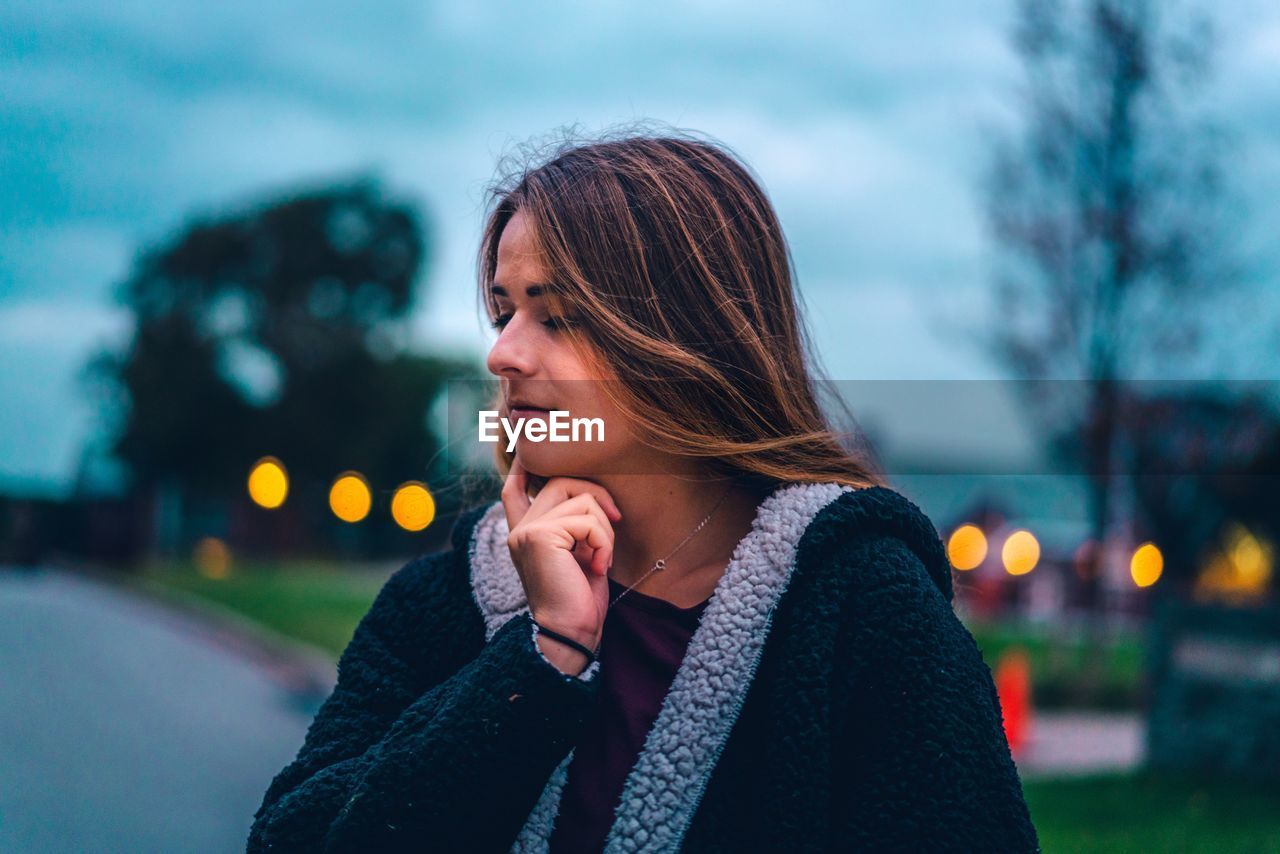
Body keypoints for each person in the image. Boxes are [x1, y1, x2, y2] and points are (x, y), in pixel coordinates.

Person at [247, 127, 1041, 853]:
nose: (504, 356)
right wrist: (541, 657)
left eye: (557, 318)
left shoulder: (863, 609)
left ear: (686, 338)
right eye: (503, 314)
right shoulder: (443, 600)